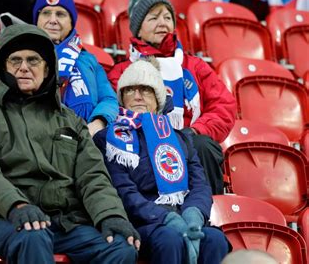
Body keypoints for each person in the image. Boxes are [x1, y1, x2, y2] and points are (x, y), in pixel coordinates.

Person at [0, 23, 140, 264]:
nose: (24, 68)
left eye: (33, 60)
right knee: (33, 237)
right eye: (15, 61)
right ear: (2, 67)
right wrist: (15, 205)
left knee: (120, 247)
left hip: (64, 224)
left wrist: (110, 215)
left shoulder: (70, 120)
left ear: (48, 68)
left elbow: (92, 176)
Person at [94, 58, 230, 264]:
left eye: (145, 90)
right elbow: (122, 190)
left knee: (215, 239)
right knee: (170, 239)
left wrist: (193, 215)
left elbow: (199, 184)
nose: (137, 96)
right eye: (130, 90)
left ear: (158, 98)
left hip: (185, 215)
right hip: (143, 221)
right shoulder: (109, 138)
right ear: (121, 97)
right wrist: (165, 218)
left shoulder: (180, 137)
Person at [107, 0, 237, 195]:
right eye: (153, 17)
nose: (162, 23)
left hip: (190, 139)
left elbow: (224, 107)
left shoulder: (194, 66)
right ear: (137, 30)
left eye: (167, 17)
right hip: (142, 142)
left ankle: (208, 215)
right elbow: (117, 111)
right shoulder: (123, 71)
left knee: (204, 145)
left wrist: (195, 130)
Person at [32, 0, 119, 136]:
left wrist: (97, 123)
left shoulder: (88, 59)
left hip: (88, 138)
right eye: (46, 13)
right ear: (37, 19)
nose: (52, 20)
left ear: (72, 22)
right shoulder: (25, 54)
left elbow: (108, 99)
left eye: (60, 14)